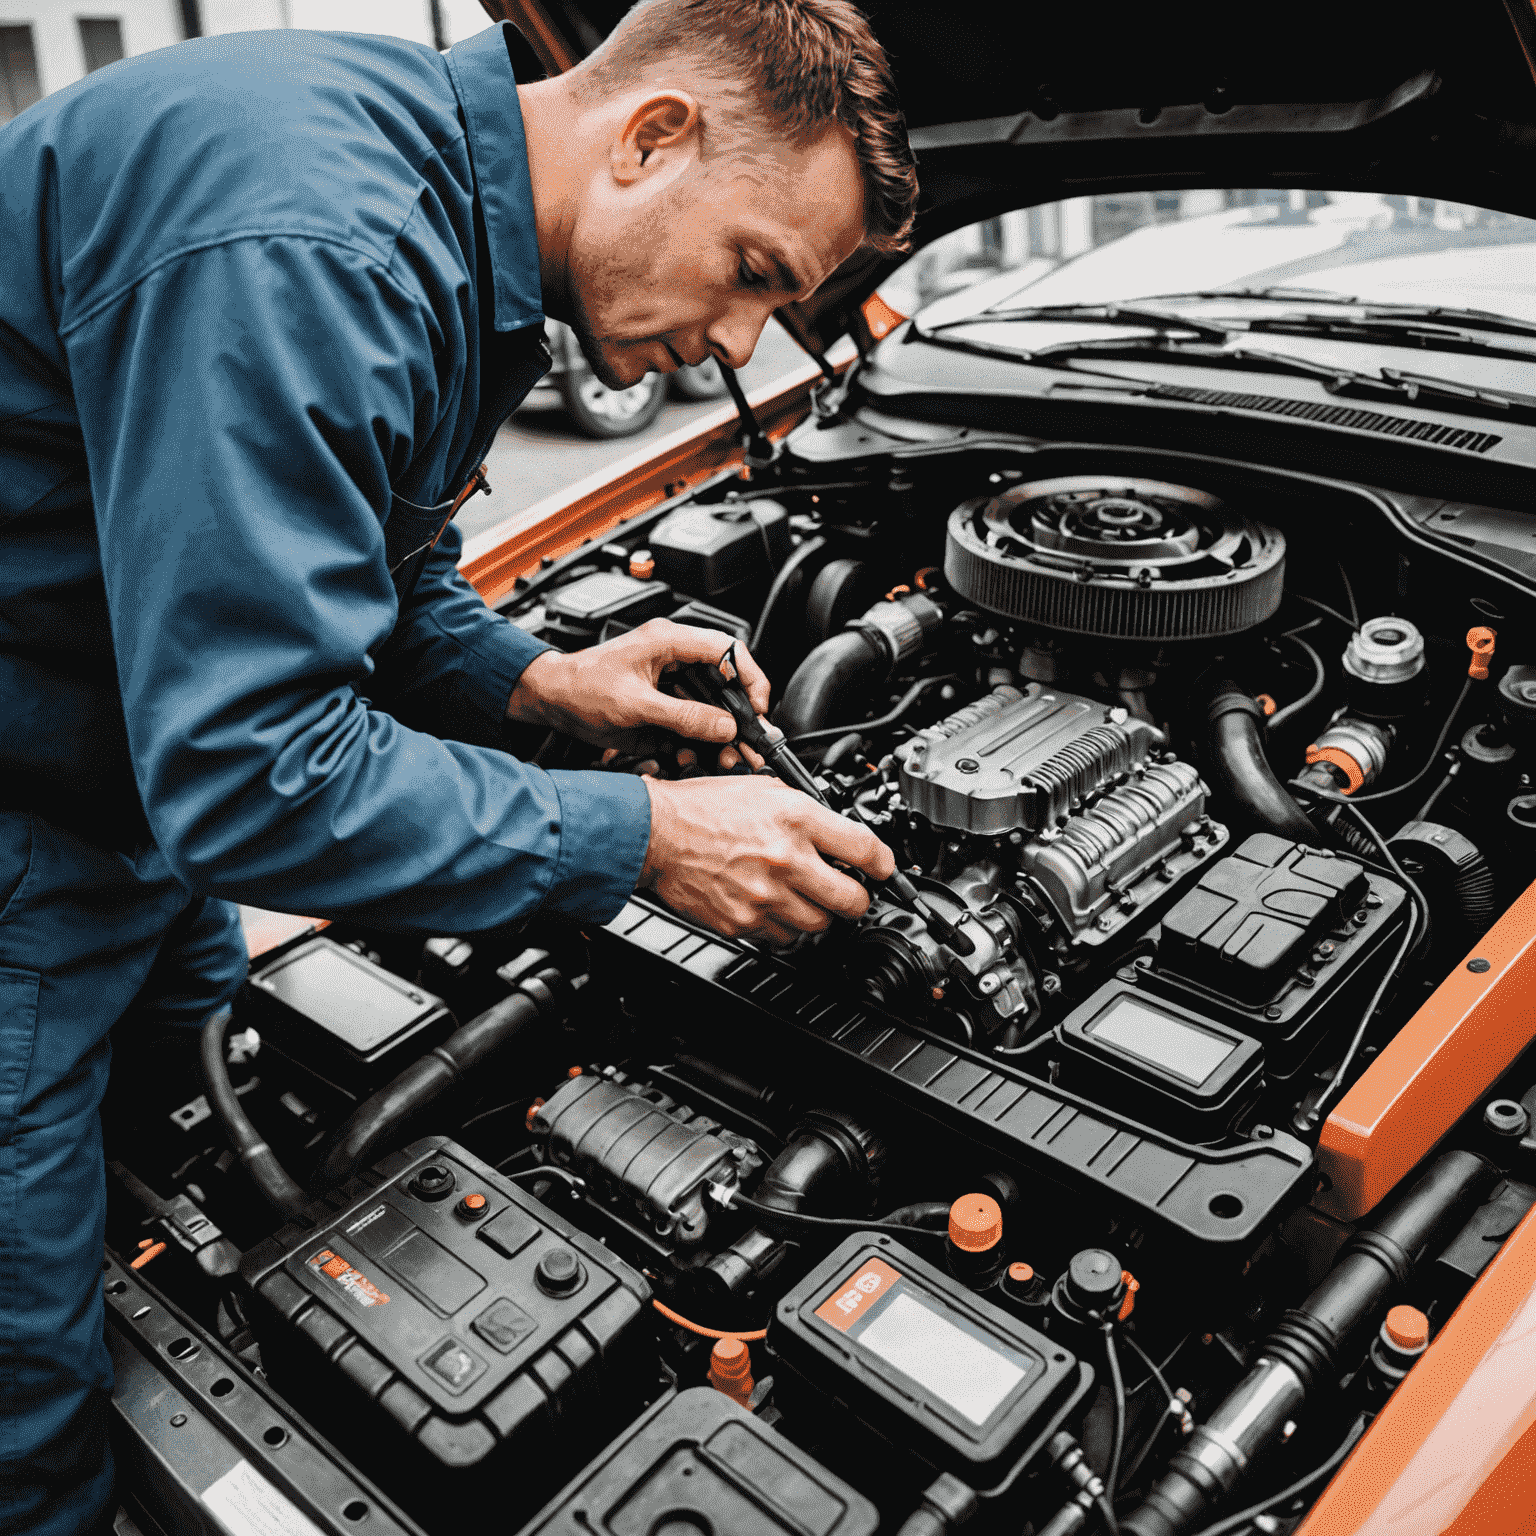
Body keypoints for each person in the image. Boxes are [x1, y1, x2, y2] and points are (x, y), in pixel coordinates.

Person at [0, 0, 917, 1528]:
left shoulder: (448, 218)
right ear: (653, 138)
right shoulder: (324, 239)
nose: (742, 343)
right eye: (755, 271)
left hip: (117, 775)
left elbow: (375, 564)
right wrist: (648, 838)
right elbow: (248, 775)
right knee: (27, 1387)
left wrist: (543, 677)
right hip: (35, 815)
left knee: (194, 1127)